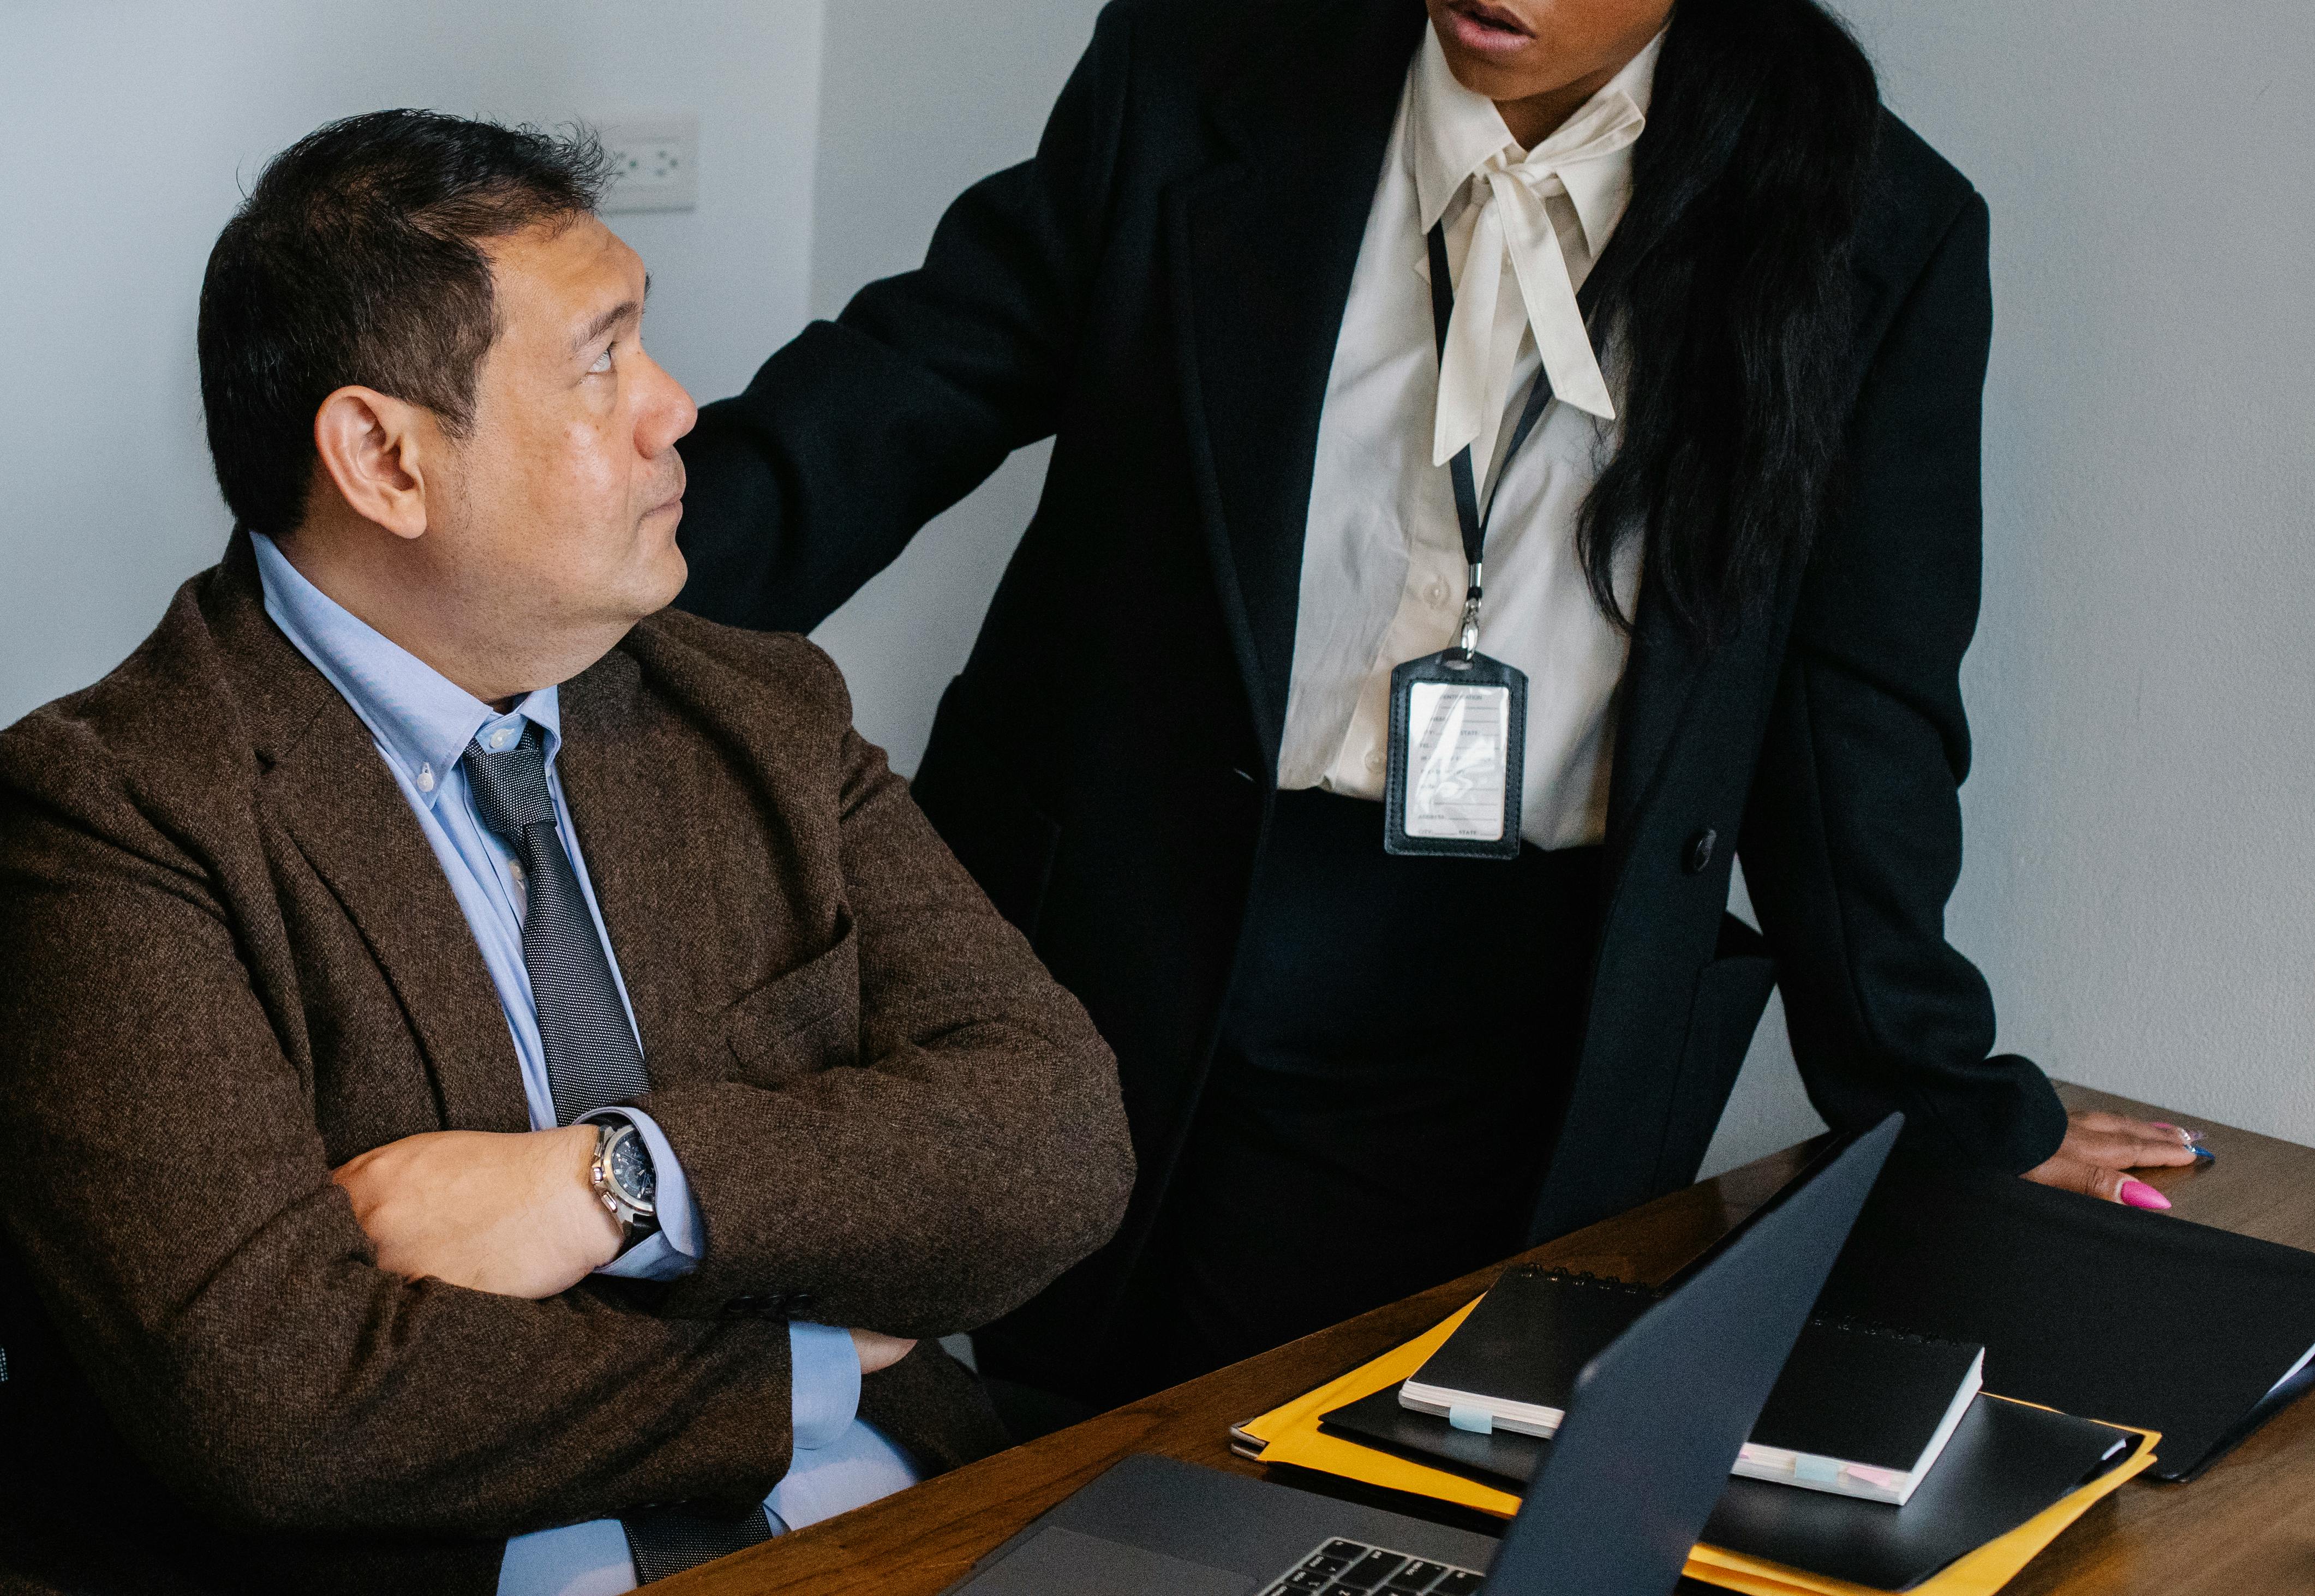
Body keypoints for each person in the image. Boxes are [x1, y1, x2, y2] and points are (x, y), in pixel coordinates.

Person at [671, 0, 2205, 1415]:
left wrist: (1938, 1087)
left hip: (1513, 1008)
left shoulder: (1872, 224)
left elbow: (1855, 710)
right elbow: (897, 394)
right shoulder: (1205, 65)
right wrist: (569, 608)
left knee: (1378, 1458)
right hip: (1117, 919)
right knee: (1053, 1418)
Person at [0, 112, 1133, 1596]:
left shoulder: (759, 705)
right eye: (602, 362)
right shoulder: (109, 812)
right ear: (383, 460)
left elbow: (1054, 1140)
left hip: (900, 1525)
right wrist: (796, 1356)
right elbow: (287, 1409)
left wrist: (613, 1185)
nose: (673, 410)